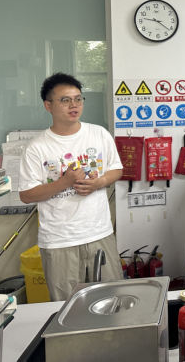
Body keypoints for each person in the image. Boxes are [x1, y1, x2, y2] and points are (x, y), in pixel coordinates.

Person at [19, 73, 123, 301]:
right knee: (67, 308)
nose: (74, 105)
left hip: (99, 234)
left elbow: (116, 169)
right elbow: (26, 195)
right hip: (59, 241)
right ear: (48, 106)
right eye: (65, 100)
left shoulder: (98, 134)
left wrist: (98, 182)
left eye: (78, 99)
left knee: (110, 301)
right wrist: (64, 182)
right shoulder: (37, 147)